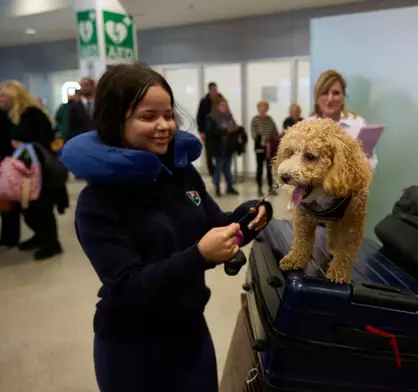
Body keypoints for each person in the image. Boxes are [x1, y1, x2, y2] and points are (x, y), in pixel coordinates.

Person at [60, 63, 273, 392]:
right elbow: (127, 285)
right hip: (132, 348)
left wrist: (248, 218)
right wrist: (199, 257)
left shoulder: (182, 173)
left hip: (190, 333)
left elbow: (213, 225)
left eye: (169, 114)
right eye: (148, 117)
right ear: (115, 120)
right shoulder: (97, 202)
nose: (164, 126)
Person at [0, 80, 64, 260]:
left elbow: (42, 138)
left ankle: (51, 244)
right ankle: (40, 237)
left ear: (16, 96)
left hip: (37, 170)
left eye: (4, 95)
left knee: (40, 208)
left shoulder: (31, 114)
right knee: (28, 209)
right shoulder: (10, 116)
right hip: (21, 170)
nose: (1, 98)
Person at [309, 70, 378, 170]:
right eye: (324, 93)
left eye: (336, 93)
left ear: (343, 96)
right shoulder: (307, 126)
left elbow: (371, 163)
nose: (330, 99)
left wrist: (360, 163)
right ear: (317, 97)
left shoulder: (358, 124)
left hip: (351, 184)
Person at [207, 99, 239, 196]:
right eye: (221, 105)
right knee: (219, 167)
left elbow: (234, 127)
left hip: (228, 147)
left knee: (228, 167)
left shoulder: (229, 117)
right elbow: (210, 131)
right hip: (218, 147)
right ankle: (217, 187)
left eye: (225, 105)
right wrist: (223, 130)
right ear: (217, 106)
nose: (224, 107)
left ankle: (229, 187)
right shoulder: (211, 117)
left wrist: (236, 129)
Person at [0, 108, 20, 247]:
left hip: (4, 164)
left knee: (6, 201)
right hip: (5, 162)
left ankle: (10, 236)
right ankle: (9, 236)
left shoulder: (3, 116)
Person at [251, 100, 279, 196]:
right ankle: (259, 188)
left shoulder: (269, 119)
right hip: (259, 148)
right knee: (259, 168)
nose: (263, 109)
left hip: (269, 148)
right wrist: (262, 139)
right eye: (261, 107)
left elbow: (275, 131)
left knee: (269, 168)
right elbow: (253, 134)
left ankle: (271, 187)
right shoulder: (255, 119)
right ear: (258, 108)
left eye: (265, 107)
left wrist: (273, 139)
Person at [197, 82, 225, 176]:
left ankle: (220, 171)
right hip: (208, 131)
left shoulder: (221, 99)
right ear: (209, 90)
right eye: (213, 90)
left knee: (220, 153)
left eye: (216, 90)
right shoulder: (204, 101)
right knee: (209, 153)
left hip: (220, 131)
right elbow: (199, 117)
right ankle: (212, 172)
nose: (215, 92)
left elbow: (225, 113)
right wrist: (201, 131)